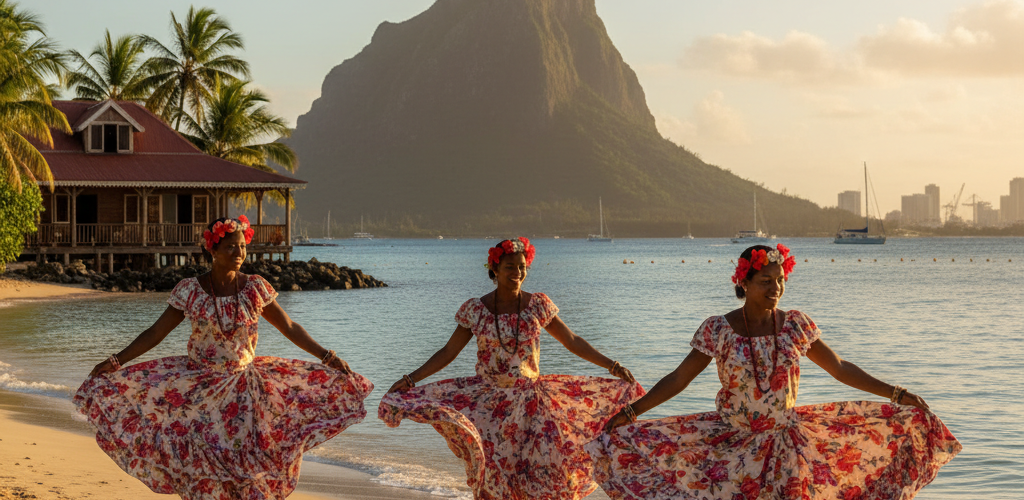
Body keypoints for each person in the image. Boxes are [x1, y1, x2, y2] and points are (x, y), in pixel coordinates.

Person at [588, 244, 961, 500]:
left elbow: (840, 368)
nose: (776, 287)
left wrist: (896, 394)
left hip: (786, 445)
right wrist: (631, 412)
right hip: (731, 447)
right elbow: (678, 379)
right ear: (744, 283)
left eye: (780, 279)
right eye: (766, 281)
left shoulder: (795, 325)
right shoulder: (718, 330)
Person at [74, 215, 373, 499]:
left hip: (247, 391)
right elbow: (154, 334)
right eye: (231, 246)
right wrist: (116, 361)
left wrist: (327, 356)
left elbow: (290, 327)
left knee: (248, 470)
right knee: (206, 470)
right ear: (213, 250)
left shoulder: (255, 288)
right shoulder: (190, 291)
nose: (239, 252)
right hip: (199, 392)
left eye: (242, 246)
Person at [378, 237, 644, 500]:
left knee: (540, 472)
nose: (517, 273)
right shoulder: (476, 310)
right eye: (510, 267)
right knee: (494, 477)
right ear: (494, 269)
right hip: (489, 408)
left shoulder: (537, 305)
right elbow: (449, 352)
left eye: (522, 266)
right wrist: (410, 379)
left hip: (533, 405)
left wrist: (612, 365)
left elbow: (572, 341)